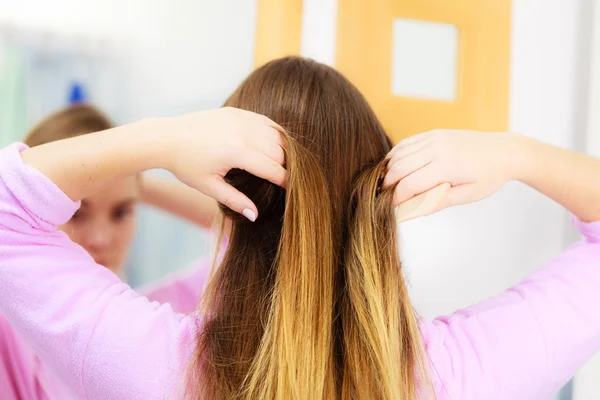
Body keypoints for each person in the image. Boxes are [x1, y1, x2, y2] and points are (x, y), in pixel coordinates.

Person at [0, 57, 600, 399]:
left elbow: (9, 217)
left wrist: (161, 140)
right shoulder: (460, 374)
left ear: (227, 206)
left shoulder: (154, 364)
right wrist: (516, 155)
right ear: (374, 202)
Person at [0, 105, 219, 399]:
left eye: (121, 212)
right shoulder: (8, 332)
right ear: (37, 209)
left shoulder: (151, 324)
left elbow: (242, 236)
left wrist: (135, 181)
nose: (101, 239)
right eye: (77, 213)